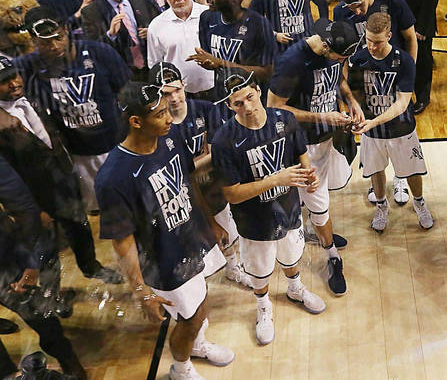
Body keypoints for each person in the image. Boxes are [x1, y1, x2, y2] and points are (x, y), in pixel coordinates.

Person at [96, 81, 235, 380]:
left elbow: (188, 180)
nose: (170, 117)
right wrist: (140, 291)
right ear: (136, 121)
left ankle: (197, 345)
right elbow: (122, 240)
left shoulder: (169, 139)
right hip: (164, 260)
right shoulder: (113, 177)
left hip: (193, 237)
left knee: (202, 300)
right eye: (160, 114)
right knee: (190, 317)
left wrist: (210, 222)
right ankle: (180, 367)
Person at [210, 67, 327, 345]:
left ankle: (295, 289)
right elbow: (232, 194)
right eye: (238, 103)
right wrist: (276, 179)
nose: (247, 107)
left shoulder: (285, 119)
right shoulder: (223, 141)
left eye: (250, 97)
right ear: (228, 105)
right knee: (260, 272)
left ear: (259, 90)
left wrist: (309, 174)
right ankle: (263, 308)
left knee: (292, 256)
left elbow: (301, 152)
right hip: (254, 222)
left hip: (288, 210)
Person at [0, 57, 123, 284]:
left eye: (14, 76)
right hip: (34, 196)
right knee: (46, 248)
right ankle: (52, 295)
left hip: (63, 178)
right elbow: (8, 177)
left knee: (79, 226)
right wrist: (31, 208)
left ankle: (90, 267)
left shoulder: (34, 98)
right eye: (4, 81)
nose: (14, 83)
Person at [267, 19, 366, 294]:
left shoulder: (332, 51)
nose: (342, 61)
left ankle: (313, 230)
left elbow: (338, 78)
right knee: (318, 204)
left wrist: (351, 101)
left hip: (326, 140)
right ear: (325, 45)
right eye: (340, 56)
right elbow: (273, 107)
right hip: (300, 147)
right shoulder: (292, 61)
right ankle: (332, 256)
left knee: (317, 200)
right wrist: (322, 116)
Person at [16, 6, 131, 213]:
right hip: (78, 153)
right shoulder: (28, 66)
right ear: (33, 41)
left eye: (58, 38)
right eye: (44, 42)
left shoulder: (100, 52)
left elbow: (129, 93)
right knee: (100, 210)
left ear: (66, 30)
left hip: (116, 145)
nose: (54, 46)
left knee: (131, 203)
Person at [148, 62, 253, 289]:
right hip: (181, 197)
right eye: (167, 93)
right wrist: (199, 163)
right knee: (194, 245)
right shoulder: (158, 127)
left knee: (229, 231)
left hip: (214, 187)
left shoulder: (205, 109)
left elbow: (217, 155)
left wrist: (193, 165)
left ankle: (233, 267)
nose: (174, 97)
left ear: (184, 85)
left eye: (177, 89)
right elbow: (177, 171)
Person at [0, 156, 86, 380]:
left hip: (6, 261)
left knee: (40, 316)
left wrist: (30, 265)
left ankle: (66, 357)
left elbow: (25, 210)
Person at [349, 12, 433, 231]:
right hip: (371, 130)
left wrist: (372, 122)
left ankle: (420, 202)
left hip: (401, 129)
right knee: (375, 171)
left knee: (412, 171)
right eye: (368, 40)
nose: (372, 47)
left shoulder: (403, 60)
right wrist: (355, 112)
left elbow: (402, 103)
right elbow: (356, 94)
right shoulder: (358, 59)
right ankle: (381, 205)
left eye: (377, 42)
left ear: (389, 35)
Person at [191, 0, 277, 95]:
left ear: (235, 0)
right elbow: (212, 59)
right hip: (222, 95)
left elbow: (267, 72)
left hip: (252, 98)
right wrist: (209, 63)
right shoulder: (207, 18)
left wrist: (221, 63)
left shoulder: (259, 24)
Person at [80, 0, 161, 79]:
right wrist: (110, 34)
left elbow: (161, 25)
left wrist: (151, 32)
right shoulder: (91, 12)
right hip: (121, 73)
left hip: (151, 67)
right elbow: (93, 49)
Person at [147, 0, 215, 95]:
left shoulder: (210, 15)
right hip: (180, 94)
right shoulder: (156, 26)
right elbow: (155, 65)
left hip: (215, 87)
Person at [333, 0, 418, 61]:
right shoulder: (340, 12)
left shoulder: (392, 0)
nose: (357, 12)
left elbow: (410, 38)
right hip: (361, 68)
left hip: (393, 64)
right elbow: (342, 51)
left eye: (359, 5)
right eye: (351, 8)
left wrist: (410, 69)